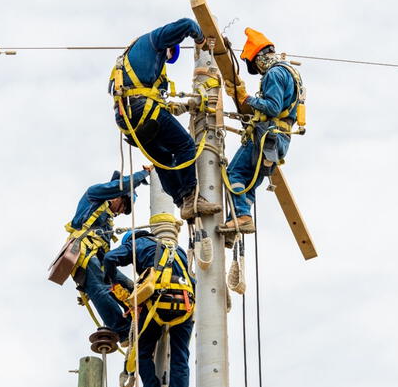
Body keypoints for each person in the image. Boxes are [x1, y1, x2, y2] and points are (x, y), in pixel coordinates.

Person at [109, 18, 222, 221]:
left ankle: (182, 203)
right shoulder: (154, 40)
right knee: (185, 144)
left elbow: (160, 104)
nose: (166, 59)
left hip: (128, 119)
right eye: (169, 54)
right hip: (142, 109)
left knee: (163, 160)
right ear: (170, 46)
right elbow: (188, 24)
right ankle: (191, 196)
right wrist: (201, 40)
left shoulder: (133, 65)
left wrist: (187, 106)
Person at [220, 27, 306, 233]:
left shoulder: (274, 74)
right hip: (279, 141)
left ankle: (241, 216)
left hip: (267, 136)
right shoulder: (291, 73)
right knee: (249, 182)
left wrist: (245, 98)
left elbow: (273, 107)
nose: (258, 70)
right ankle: (238, 218)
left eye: (256, 66)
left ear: (258, 57)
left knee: (234, 174)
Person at [103, 228, 195, 387]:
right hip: (185, 304)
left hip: (158, 304)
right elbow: (192, 279)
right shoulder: (178, 250)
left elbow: (110, 258)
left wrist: (111, 280)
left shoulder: (138, 243)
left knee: (142, 351)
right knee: (180, 357)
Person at [65, 167, 151, 344]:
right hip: (84, 253)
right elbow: (122, 184)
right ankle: (124, 331)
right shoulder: (94, 195)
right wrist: (144, 174)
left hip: (98, 259)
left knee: (130, 288)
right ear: (117, 196)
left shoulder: (106, 221)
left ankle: (141, 321)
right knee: (102, 289)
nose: (120, 212)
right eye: (124, 206)